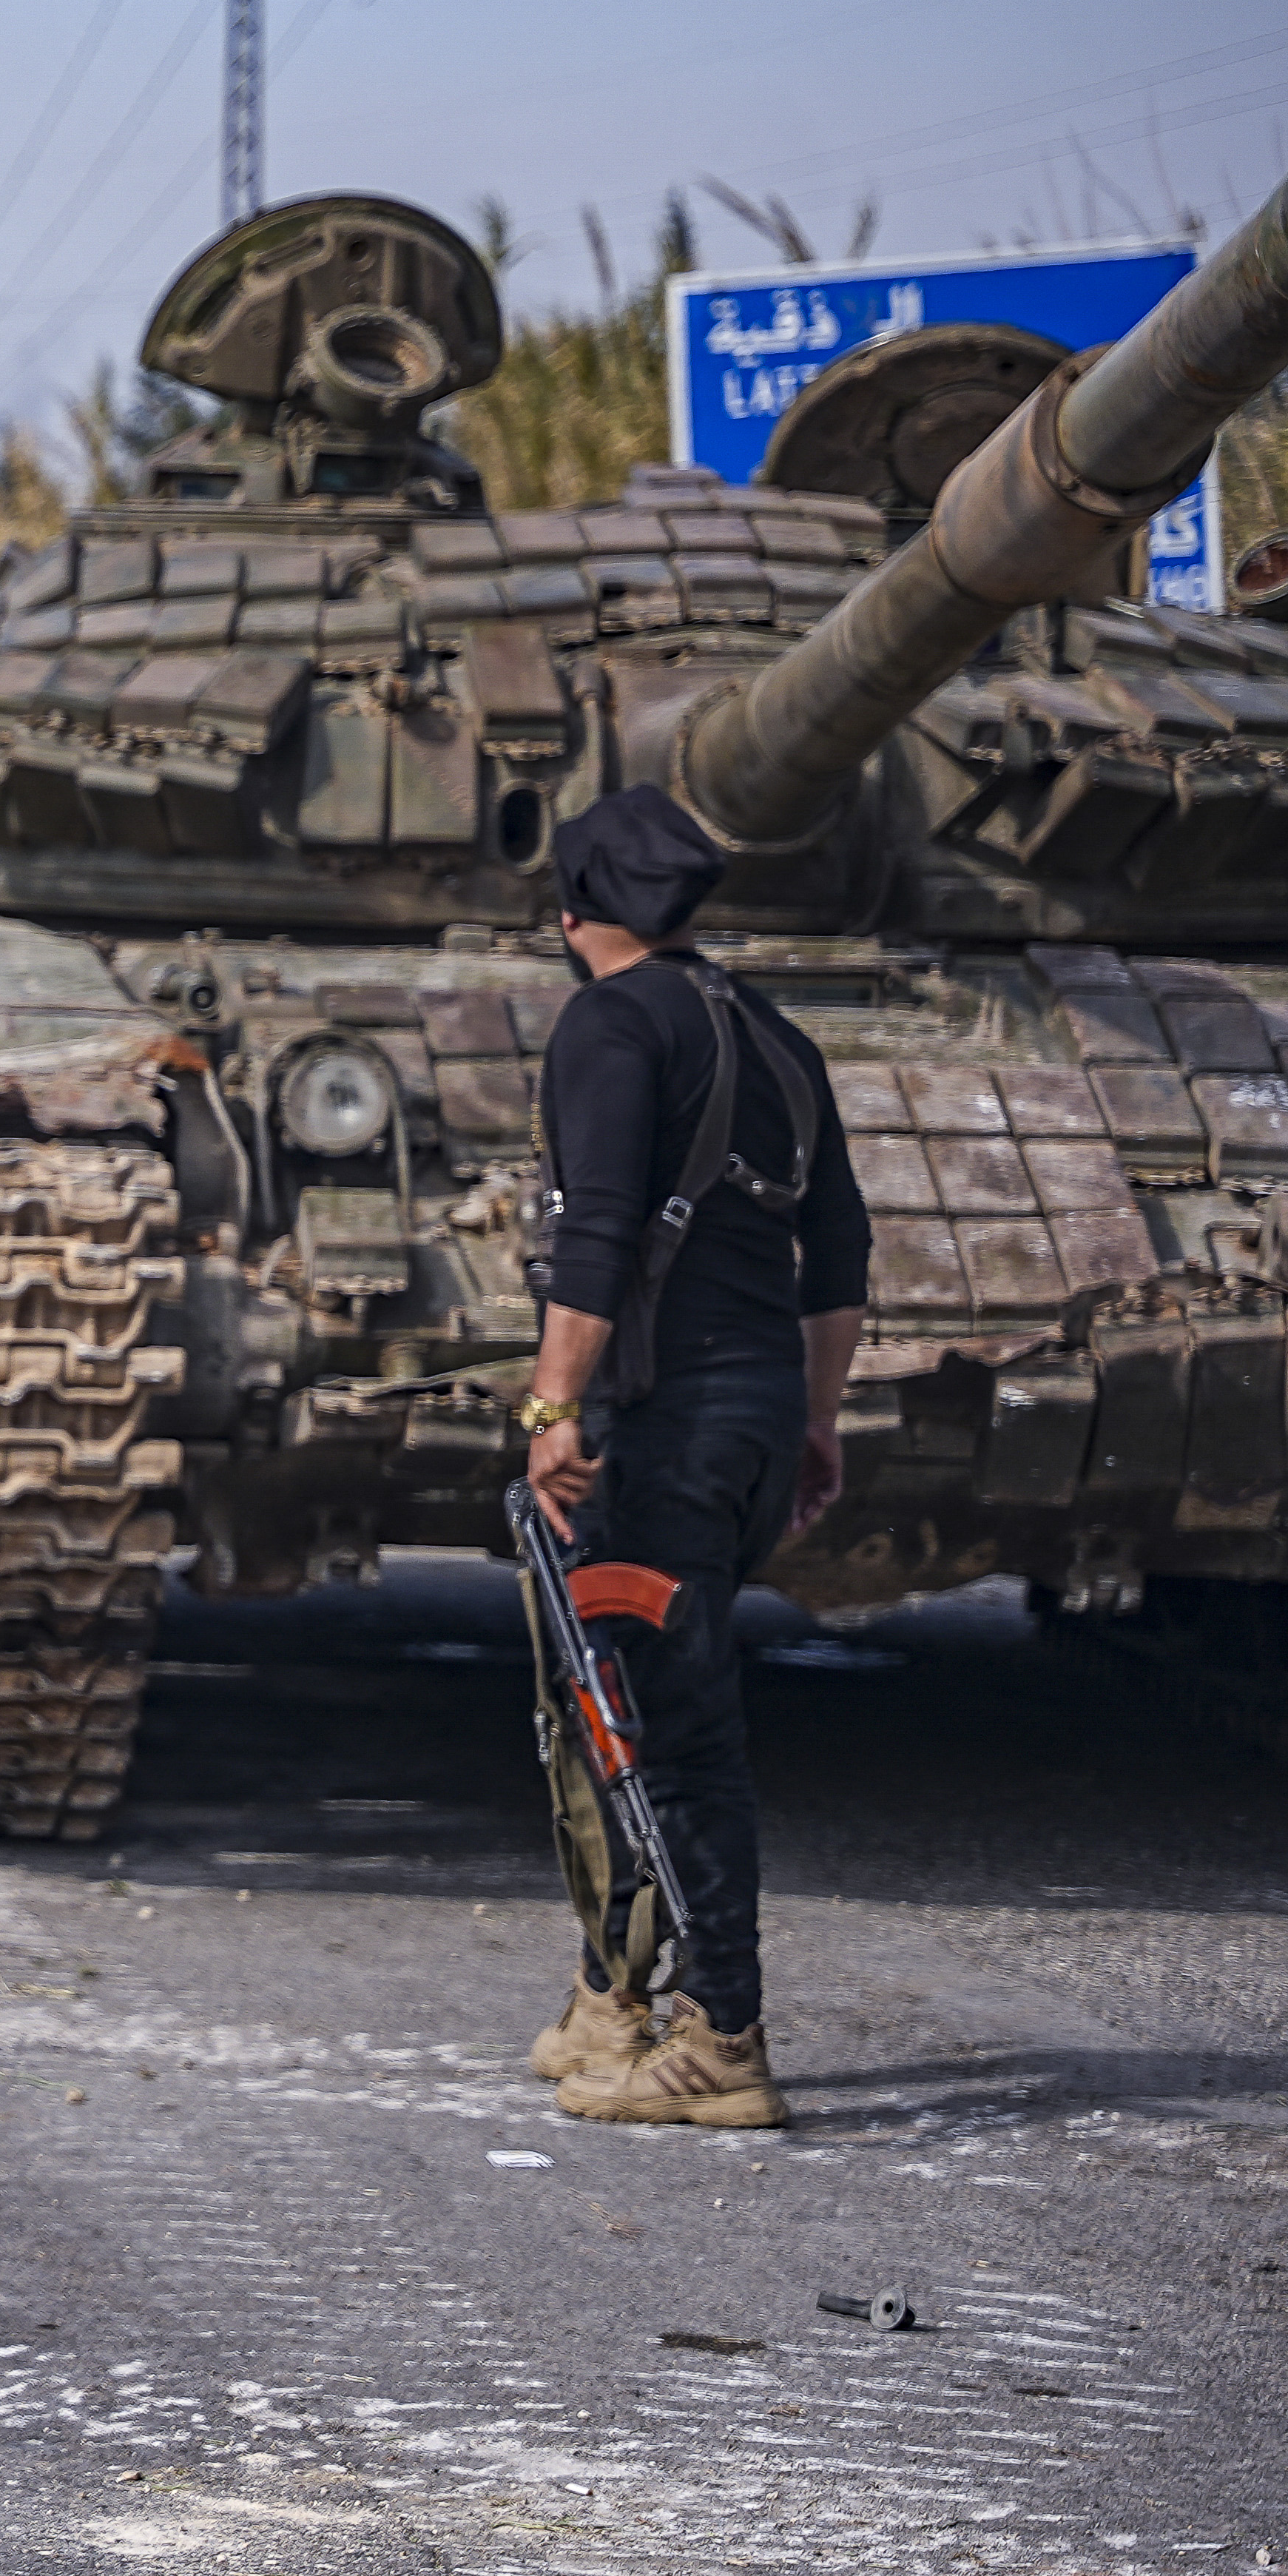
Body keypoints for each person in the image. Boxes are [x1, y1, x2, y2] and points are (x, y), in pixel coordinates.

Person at [519, 784, 867, 2133]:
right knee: (609, 1702)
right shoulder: (772, 1032)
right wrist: (815, 1419)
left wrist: (553, 1410)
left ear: (570, 913)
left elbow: (593, 1236)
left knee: (669, 1726)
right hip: (751, 1415)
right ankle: (614, 1999)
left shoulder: (609, 1023)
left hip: (656, 1428)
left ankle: (722, 2034)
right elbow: (833, 1256)